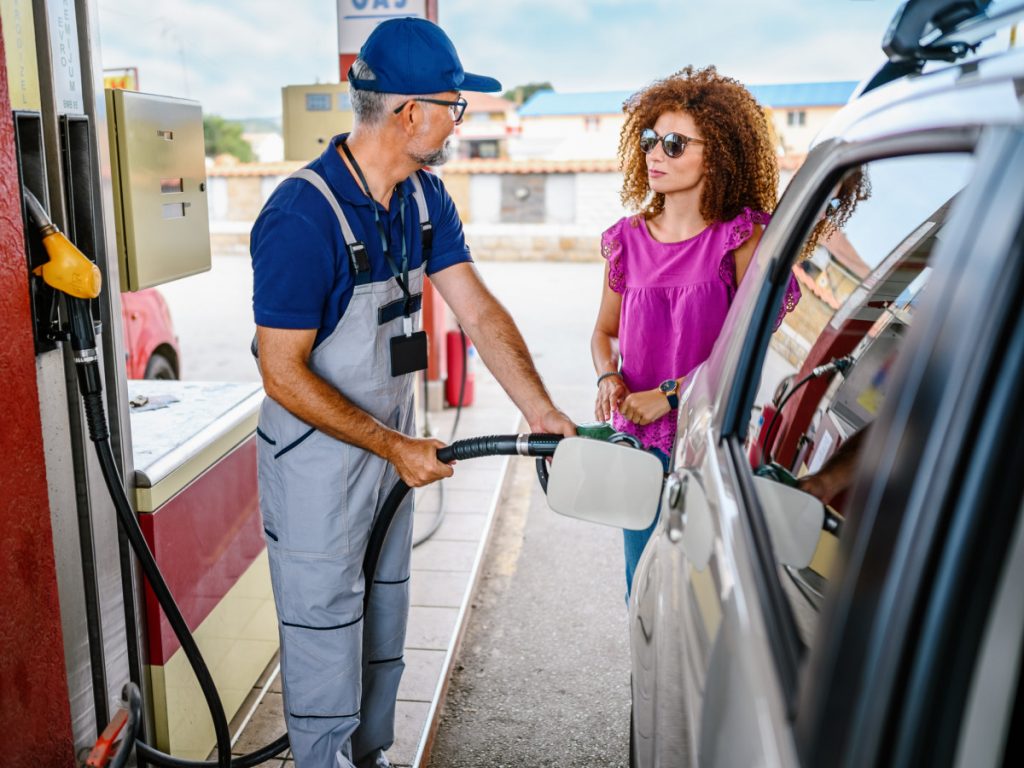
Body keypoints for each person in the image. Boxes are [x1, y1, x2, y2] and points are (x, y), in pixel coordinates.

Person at [249, 18, 574, 768]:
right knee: (327, 625)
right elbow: (282, 372)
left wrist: (538, 410)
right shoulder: (304, 215)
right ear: (409, 113)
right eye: (454, 105)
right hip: (317, 464)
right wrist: (393, 444)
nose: (459, 121)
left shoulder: (424, 199)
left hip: (392, 449)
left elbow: (478, 311)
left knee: (385, 611)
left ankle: (369, 756)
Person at [591, 66, 799, 597]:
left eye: (675, 143)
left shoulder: (743, 240)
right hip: (637, 447)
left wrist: (668, 394)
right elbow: (605, 333)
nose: (655, 154)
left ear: (720, 152)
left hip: (714, 444)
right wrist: (607, 379)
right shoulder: (626, 240)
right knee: (641, 592)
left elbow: (746, 346)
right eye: (649, 139)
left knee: (709, 597)